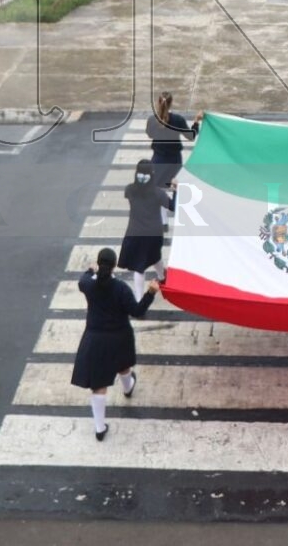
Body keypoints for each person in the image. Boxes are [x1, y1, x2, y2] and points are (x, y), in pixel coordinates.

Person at [70, 247, 158, 442]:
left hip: (96, 339)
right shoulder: (121, 288)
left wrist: (90, 270)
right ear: (114, 265)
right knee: (123, 366)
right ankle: (128, 388)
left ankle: (100, 428)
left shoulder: (88, 285)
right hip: (119, 336)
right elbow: (137, 310)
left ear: (99, 263)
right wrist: (150, 293)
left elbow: (82, 280)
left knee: (99, 385)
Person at [119, 160, 175, 300]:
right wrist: (176, 190)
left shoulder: (129, 190)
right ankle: (162, 277)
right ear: (152, 174)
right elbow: (173, 206)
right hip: (154, 233)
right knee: (154, 255)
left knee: (140, 266)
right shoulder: (158, 193)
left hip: (135, 232)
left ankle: (138, 300)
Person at [146, 92, 201, 194]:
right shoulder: (178, 120)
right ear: (171, 103)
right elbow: (191, 136)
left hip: (158, 158)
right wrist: (196, 121)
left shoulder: (152, 120)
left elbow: (150, 134)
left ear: (158, 103)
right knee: (177, 186)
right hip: (174, 159)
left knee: (156, 185)